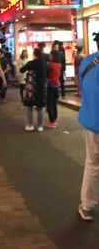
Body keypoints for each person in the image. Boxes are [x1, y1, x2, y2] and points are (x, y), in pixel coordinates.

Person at [78, 50, 99, 221]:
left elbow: (82, 88)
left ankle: (87, 205)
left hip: (92, 121)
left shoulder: (87, 62)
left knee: (92, 164)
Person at [20, 48, 45, 132]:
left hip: (31, 89)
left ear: (34, 55)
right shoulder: (43, 64)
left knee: (30, 107)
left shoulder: (31, 63)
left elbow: (22, 70)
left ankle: (30, 125)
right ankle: (40, 126)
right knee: (40, 108)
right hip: (40, 88)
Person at [45, 50, 62, 128]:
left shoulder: (50, 64)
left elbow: (47, 74)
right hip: (56, 85)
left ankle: (51, 121)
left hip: (50, 84)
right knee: (54, 103)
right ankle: (55, 119)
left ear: (53, 56)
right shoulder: (59, 64)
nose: (49, 56)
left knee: (49, 103)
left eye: (50, 55)